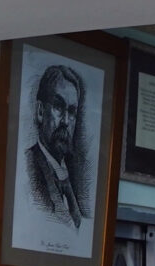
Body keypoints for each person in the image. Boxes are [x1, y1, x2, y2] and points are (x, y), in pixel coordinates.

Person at [25, 63, 91, 229]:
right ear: (40, 111)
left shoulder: (73, 175)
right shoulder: (27, 168)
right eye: (58, 107)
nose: (66, 121)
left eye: (72, 111)